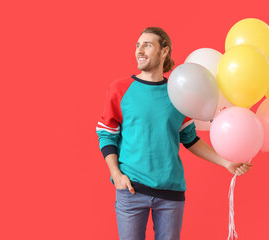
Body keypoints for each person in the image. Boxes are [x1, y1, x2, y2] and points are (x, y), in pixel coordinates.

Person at [96, 27, 252, 240]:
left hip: (170, 195)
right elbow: (107, 134)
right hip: (131, 191)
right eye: (137, 45)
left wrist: (225, 162)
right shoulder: (120, 89)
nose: (139, 51)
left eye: (147, 45)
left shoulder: (178, 93)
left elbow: (190, 139)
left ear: (164, 51)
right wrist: (116, 175)